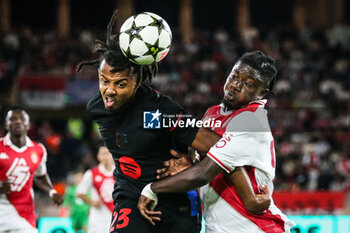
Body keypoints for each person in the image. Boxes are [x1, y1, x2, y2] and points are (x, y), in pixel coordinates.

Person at [77, 11, 270, 233]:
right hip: (130, 196)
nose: (109, 91)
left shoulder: (158, 113)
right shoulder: (96, 107)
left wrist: (249, 196)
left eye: (121, 84)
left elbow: (220, 145)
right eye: (104, 81)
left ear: (138, 82)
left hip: (176, 203)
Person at [138, 51, 295, 233]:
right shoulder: (212, 113)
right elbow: (205, 168)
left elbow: (203, 173)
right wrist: (188, 164)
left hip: (253, 228)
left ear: (261, 93)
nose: (235, 85)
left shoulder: (251, 121)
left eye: (247, 83)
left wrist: (152, 189)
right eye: (234, 76)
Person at [0, 106, 64, 233]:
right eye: (13, 119)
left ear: (28, 125)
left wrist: (52, 192)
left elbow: (40, 176)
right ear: (6, 124)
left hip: (25, 218)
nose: (18, 121)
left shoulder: (38, 150)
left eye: (22, 119)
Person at [76, 145, 115, 233]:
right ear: (98, 156)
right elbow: (79, 192)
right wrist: (92, 202)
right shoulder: (92, 173)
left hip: (115, 214)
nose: (106, 156)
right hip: (98, 217)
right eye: (103, 154)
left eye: (108, 154)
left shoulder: (118, 174)